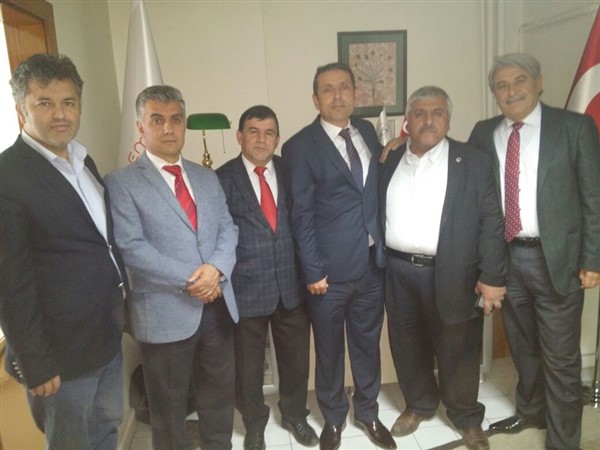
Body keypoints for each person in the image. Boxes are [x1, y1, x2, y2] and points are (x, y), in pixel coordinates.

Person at [468, 53, 600, 450]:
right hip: (506, 260)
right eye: (502, 85)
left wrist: (592, 258)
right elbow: (460, 172)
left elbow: (593, 197)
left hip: (557, 260)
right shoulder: (483, 132)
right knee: (523, 348)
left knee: (560, 358)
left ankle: (564, 441)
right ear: (494, 94)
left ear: (539, 83)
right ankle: (531, 412)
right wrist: (401, 144)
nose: (511, 91)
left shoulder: (574, 127)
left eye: (520, 80)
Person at [0, 53, 127, 450]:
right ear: (21, 111)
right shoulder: (7, 176)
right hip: (60, 356)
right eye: (45, 103)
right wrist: (35, 362)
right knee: (72, 443)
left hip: (105, 336)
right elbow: (10, 283)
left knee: (106, 431)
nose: (60, 114)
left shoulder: (82, 159)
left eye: (68, 102)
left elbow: (99, 243)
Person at [105, 85, 239, 450]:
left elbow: (228, 229)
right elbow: (132, 248)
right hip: (165, 313)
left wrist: (216, 270)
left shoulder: (206, 177)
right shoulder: (122, 183)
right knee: (168, 411)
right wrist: (195, 280)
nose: (168, 128)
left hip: (217, 309)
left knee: (218, 398)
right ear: (140, 127)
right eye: (157, 120)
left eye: (176, 120)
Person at [379, 86, 506, 450]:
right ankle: (419, 404)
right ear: (407, 121)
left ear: (449, 119)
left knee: (459, 348)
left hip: (454, 271)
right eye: (419, 113)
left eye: (437, 113)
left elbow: (491, 222)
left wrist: (492, 276)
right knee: (407, 343)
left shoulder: (474, 161)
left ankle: (466, 415)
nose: (428, 120)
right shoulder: (389, 159)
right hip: (398, 271)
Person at [281, 62, 396, 450]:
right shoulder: (299, 147)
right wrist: (313, 270)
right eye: (328, 89)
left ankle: (368, 413)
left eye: (344, 87)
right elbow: (301, 214)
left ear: (355, 93)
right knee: (329, 351)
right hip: (327, 275)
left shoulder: (366, 132)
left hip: (371, 267)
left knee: (367, 346)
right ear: (315, 99)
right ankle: (333, 418)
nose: (337, 95)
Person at [216, 105, 318, 450]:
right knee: (248, 366)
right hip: (246, 288)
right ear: (240, 136)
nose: (262, 140)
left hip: (291, 285)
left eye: (269, 133)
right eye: (254, 131)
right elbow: (218, 233)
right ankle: (254, 424)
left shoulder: (292, 172)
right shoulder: (222, 178)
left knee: (296, 360)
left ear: (277, 138)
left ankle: (295, 415)